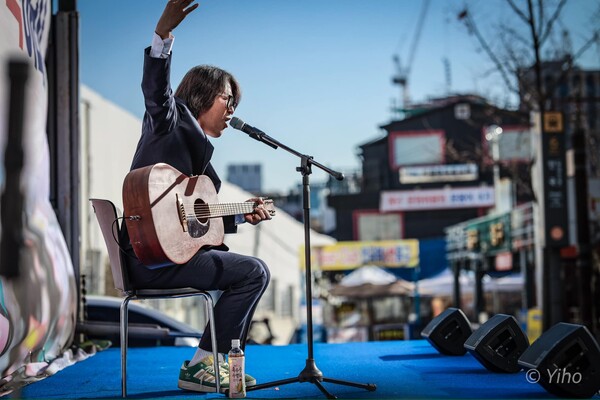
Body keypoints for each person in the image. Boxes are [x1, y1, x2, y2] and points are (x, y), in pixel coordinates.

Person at [120, 0, 271, 393]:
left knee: (252, 270)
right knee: (254, 272)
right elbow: (156, 93)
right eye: (227, 99)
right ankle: (203, 365)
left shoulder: (202, 164)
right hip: (149, 260)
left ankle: (210, 364)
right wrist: (163, 37)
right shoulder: (168, 122)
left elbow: (193, 222)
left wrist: (241, 216)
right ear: (203, 95)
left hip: (172, 255)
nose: (232, 109)